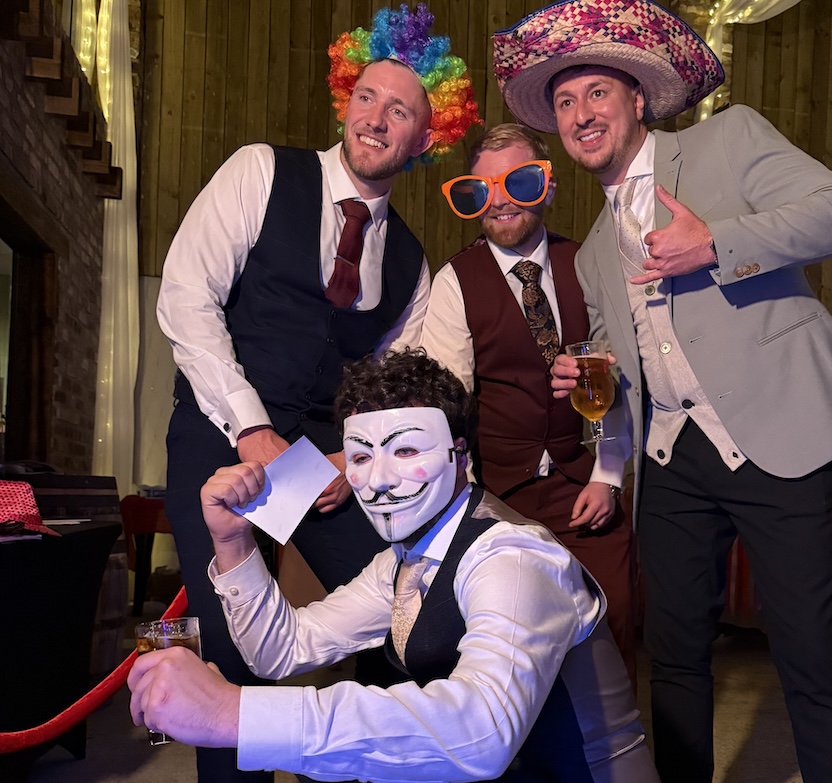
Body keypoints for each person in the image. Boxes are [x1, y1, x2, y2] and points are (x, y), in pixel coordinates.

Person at [492, 1, 832, 782]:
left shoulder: (729, 138)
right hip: (673, 460)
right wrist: (591, 373)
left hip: (780, 440)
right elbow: (622, 357)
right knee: (673, 662)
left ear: (637, 99)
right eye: (566, 103)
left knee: (812, 660)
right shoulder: (593, 253)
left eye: (597, 93)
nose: (581, 114)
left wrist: (716, 243)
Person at [155, 5, 481, 780]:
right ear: (345, 99)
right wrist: (249, 428)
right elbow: (183, 298)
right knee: (230, 652)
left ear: (424, 139)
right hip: (217, 437)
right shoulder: (260, 170)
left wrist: (350, 454)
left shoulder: (410, 261)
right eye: (366, 96)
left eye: (400, 109)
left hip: (317, 464)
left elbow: (391, 388)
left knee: (399, 625)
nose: (377, 117)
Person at [128, 348, 659, 783]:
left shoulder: (513, 557)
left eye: (405, 451)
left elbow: (482, 732)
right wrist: (234, 541)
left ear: (460, 455)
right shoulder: (404, 560)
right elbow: (282, 650)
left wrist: (232, 714)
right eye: (360, 457)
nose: (379, 480)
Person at [421, 122, 638, 685]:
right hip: (499, 503)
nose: (500, 201)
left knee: (615, 639)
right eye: (483, 189)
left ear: (547, 185)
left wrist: (608, 476)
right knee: (510, 661)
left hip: (584, 490)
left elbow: (626, 382)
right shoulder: (455, 282)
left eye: (518, 181)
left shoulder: (591, 264)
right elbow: (447, 407)